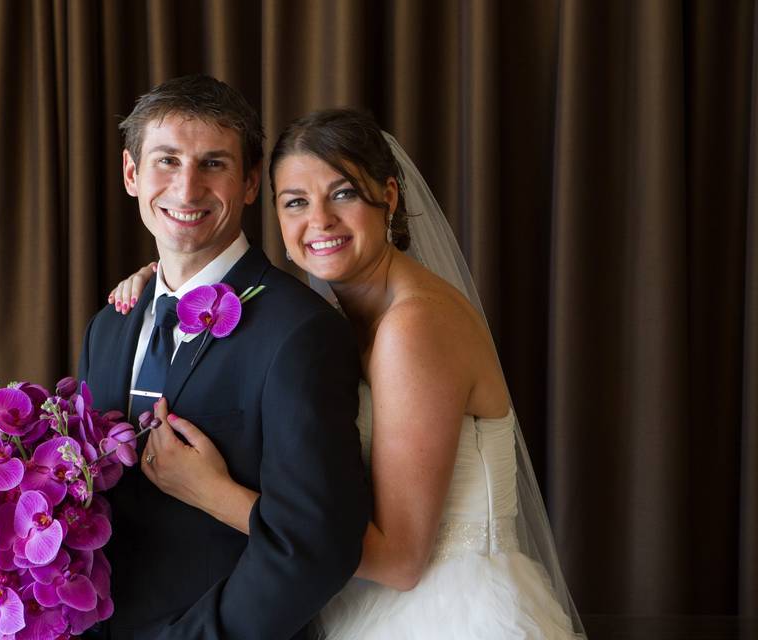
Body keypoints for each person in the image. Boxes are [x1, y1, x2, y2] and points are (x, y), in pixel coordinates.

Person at [108, 108, 587, 638]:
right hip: (356, 604)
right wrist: (163, 285)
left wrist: (213, 493)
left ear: (390, 197)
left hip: (443, 608)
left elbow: (402, 561)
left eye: (343, 194)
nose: (320, 221)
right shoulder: (339, 316)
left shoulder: (414, 328)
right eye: (295, 202)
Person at [78, 77, 370, 639]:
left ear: (251, 181)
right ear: (131, 173)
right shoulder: (108, 327)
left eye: (213, 164)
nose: (187, 190)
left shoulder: (302, 332)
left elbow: (316, 546)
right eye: (167, 161)